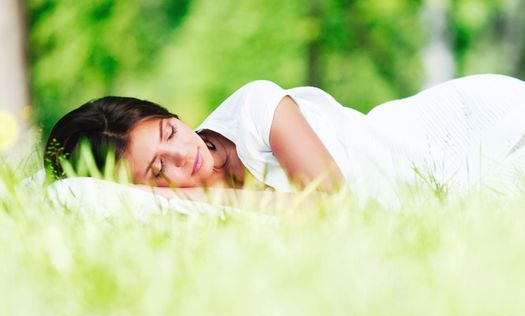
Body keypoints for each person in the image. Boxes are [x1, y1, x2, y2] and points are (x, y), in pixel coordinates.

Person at [44, 74, 525, 206]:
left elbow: (334, 210)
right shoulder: (183, 208)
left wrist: (224, 203)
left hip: (450, 131)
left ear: (171, 116)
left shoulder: (258, 108)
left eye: (169, 131)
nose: (182, 155)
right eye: (156, 169)